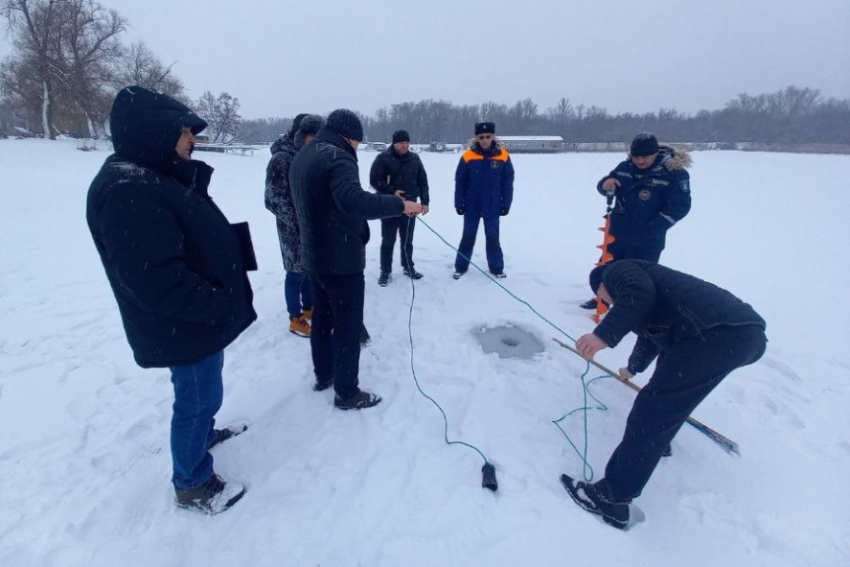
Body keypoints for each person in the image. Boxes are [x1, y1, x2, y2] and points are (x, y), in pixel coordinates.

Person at [86, 86, 257, 514]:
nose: (191, 139)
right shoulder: (128, 189)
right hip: (184, 323)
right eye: (184, 131)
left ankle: (202, 436)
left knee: (205, 393)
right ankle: (193, 482)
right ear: (154, 132)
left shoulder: (152, 174)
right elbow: (156, 280)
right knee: (196, 399)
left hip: (195, 318)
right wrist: (217, 304)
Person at [563, 259, 767, 529]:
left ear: (601, 286)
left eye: (603, 298)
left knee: (653, 409)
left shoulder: (615, 271)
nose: (606, 303)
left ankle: (611, 498)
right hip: (738, 337)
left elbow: (638, 293)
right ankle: (655, 442)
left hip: (720, 333)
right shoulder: (645, 298)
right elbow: (652, 334)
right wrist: (633, 368)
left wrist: (603, 335)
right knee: (667, 398)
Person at [290, 109, 422, 409]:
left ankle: (324, 374)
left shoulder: (305, 154)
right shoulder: (337, 156)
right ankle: (347, 392)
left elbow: (329, 199)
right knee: (347, 326)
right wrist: (398, 205)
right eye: (357, 143)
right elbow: (353, 200)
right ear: (349, 137)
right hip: (340, 258)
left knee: (323, 319)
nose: (357, 149)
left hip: (314, 255)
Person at [581, 133, 691, 309]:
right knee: (608, 266)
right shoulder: (625, 167)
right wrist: (606, 184)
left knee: (640, 273)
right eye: (636, 156)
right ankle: (602, 299)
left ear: (655, 153)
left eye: (645, 156)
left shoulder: (674, 174)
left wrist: (654, 227)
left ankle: (635, 306)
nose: (640, 160)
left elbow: (680, 206)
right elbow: (607, 185)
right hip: (618, 232)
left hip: (648, 237)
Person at [265, 113, 324, 336]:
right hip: (291, 229)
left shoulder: (308, 154)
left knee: (308, 270)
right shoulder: (281, 159)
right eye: (311, 136)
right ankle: (295, 318)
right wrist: (299, 222)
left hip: (311, 226)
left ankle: (309, 308)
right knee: (295, 273)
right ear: (299, 134)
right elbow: (273, 199)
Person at [453, 121, 514, 279]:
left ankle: (497, 268)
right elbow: (460, 181)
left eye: (488, 136)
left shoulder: (503, 156)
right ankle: (460, 267)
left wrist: (506, 203)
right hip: (471, 205)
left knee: (493, 237)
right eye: (481, 137)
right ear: (476, 138)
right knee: (468, 237)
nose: (485, 140)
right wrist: (458, 203)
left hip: (493, 205)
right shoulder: (468, 156)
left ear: (493, 136)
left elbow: (507, 182)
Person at [369, 129, 430, 286]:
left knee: (407, 240)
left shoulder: (414, 159)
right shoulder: (383, 158)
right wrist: (392, 192)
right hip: (389, 205)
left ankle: (408, 267)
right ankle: (385, 271)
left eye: (406, 142)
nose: (404, 145)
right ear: (394, 143)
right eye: (401, 143)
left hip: (411, 206)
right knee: (388, 240)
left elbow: (422, 181)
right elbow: (374, 180)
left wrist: (425, 201)